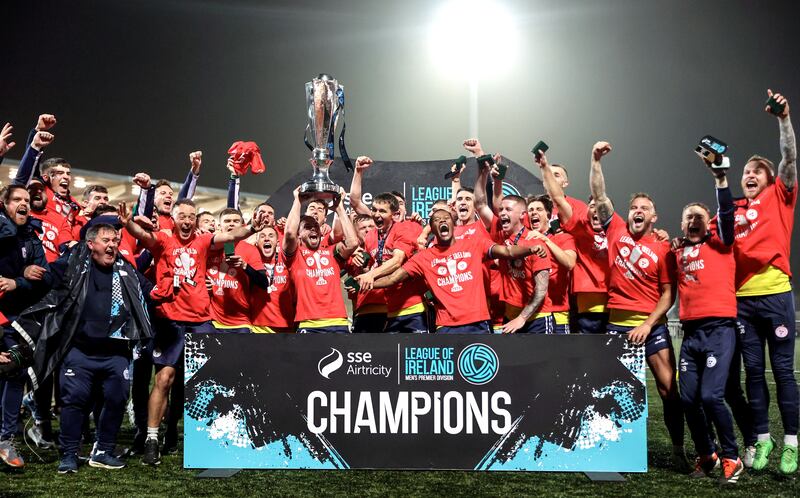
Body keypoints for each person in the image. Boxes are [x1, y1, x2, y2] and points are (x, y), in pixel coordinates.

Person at [121, 198, 268, 466]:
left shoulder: (202, 241)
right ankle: (152, 439)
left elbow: (232, 233)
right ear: (174, 219)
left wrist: (252, 228)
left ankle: (212, 439)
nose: (187, 221)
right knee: (164, 378)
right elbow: (143, 235)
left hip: (201, 319)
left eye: (191, 216)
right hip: (171, 319)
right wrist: (128, 224)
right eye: (182, 216)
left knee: (209, 381)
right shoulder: (164, 241)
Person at [17, 223, 153, 473]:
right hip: (79, 351)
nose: (112, 245)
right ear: (91, 245)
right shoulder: (72, 265)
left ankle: (104, 451)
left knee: (116, 400)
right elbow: (45, 278)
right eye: (106, 240)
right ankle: (69, 455)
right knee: (73, 402)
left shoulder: (126, 269)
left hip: (116, 353)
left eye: (115, 240)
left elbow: (150, 291)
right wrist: (22, 276)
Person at [589, 140, 690, 471]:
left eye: (644, 207)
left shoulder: (662, 249)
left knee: (668, 389)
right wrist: (596, 161)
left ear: (654, 216)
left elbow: (668, 294)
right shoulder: (615, 228)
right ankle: (612, 451)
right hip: (617, 325)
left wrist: (647, 324)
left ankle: (678, 450)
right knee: (611, 391)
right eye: (634, 206)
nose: (638, 210)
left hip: (652, 326)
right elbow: (601, 197)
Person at [733, 89, 798, 474]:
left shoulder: (781, 195)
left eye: (757, 170)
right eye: (746, 172)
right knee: (753, 375)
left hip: (775, 295)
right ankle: (762, 440)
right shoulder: (734, 209)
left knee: (784, 373)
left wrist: (784, 119)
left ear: (771, 179)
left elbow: (789, 157)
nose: (750, 175)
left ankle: (791, 442)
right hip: (741, 301)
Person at [672, 157, 744, 484]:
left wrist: (720, 178)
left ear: (709, 222)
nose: (694, 220)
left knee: (712, 396)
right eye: (689, 217)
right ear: (682, 224)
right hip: (691, 335)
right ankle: (708, 455)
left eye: (700, 216)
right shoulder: (675, 252)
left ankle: (732, 456)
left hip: (719, 331)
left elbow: (726, 214)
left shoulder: (722, 244)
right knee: (687, 398)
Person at [373, 209, 547, 334]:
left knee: (481, 377)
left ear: (453, 224)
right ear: (432, 230)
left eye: (446, 218)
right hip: (445, 326)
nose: (442, 221)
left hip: (478, 322)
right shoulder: (423, 257)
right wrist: (366, 283)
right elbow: (393, 279)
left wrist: (530, 249)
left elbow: (507, 252)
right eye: (436, 220)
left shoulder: (475, 243)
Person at [0, 185, 52, 469]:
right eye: (16, 199)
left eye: (26, 200)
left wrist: (18, 280)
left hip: (16, 321)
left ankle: (5, 438)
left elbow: (44, 278)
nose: (24, 204)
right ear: (4, 205)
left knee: (13, 372)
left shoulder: (31, 236)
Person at [351, 157, 428, 333]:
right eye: (374, 210)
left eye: (382, 211)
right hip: (391, 309)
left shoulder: (407, 227)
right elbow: (355, 202)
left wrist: (370, 275)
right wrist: (360, 271)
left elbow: (397, 261)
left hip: (412, 308)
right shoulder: (371, 235)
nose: (377, 214)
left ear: (394, 214)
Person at [536, 151, 610, 334]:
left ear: (566, 183)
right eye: (549, 175)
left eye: (557, 175)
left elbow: (598, 198)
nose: (551, 178)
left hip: (578, 288)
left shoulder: (579, 210)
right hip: (549, 289)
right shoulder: (535, 209)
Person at [282, 187, 358, 333]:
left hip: (339, 322)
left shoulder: (331, 253)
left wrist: (340, 208)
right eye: (308, 227)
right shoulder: (295, 256)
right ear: (299, 235)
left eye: (316, 227)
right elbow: (290, 233)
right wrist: (297, 200)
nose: (313, 229)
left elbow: (353, 243)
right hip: (309, 324)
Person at [525, 193, 577, 334]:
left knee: (557, 355)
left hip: (556, 312)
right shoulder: (526, 241)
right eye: (530, 210)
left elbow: (570, 263)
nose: (534, 212)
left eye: (539, 209)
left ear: (548, 215)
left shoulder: (564, 238)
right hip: (533, 312)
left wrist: (546, 240)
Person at [250, 226, 294, 333]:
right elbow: (233, 244)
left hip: (287, 326)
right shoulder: (250, 260)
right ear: (256, 242)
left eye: (271, 236)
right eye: (262, 236)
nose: (266, 239)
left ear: (278, 243)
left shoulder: (288, 261)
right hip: (259, 327)